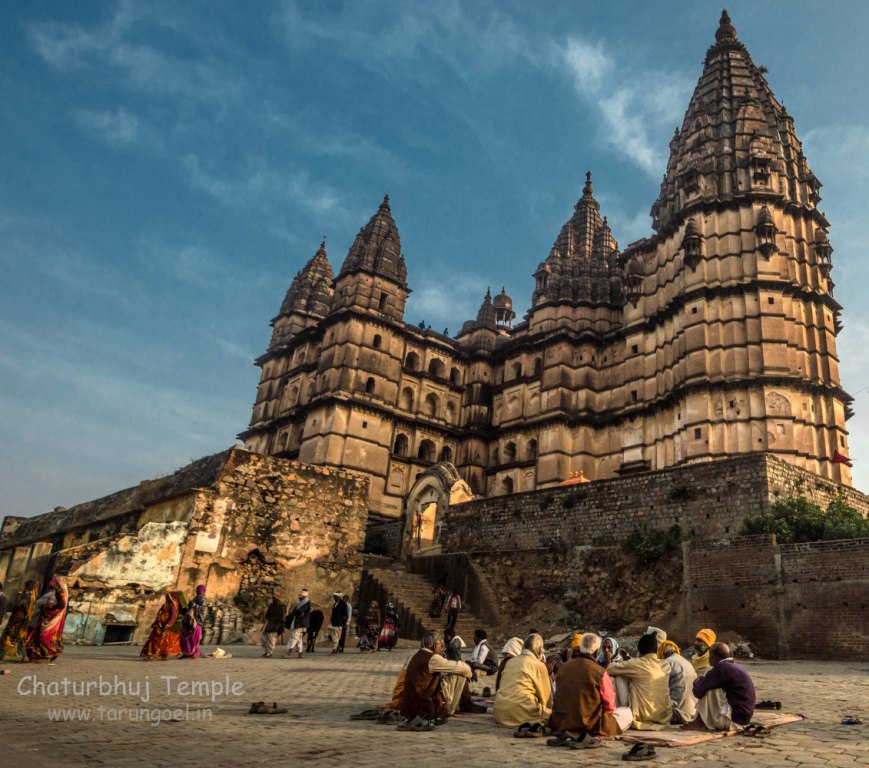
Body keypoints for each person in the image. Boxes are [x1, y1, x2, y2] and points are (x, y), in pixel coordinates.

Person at [549, 632, 633, 739]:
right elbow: (610, 707)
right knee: (628, 713)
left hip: (562, 723)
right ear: (597, 651)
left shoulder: (563, 668)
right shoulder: (600, 672)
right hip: (591, 726)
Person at [399, 630, 479, 729]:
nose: (443, 648)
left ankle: (464, 702)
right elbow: (463, 668)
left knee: (457, 672)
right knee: (461, 673)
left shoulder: (417, 654)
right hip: (423, 706)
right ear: (435, 645)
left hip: (410, 705)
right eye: (441, 645)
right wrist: (470, 672)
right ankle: (457, 706)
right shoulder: (433, 658)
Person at [606, 632, 672, 730]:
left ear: (640, 650)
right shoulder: (665, 665)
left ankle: (622, 711)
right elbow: (645, 669)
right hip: (664, 717)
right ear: (656, 650)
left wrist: (608, 661)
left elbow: (610, 669)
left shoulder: (636, 664)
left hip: (642, 717)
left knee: (618, 676)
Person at [683, 642, 756, 731]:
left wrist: (697, 681)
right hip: (743, 718)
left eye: (710, 655)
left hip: (733, 721)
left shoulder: (721, 668)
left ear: (716, 657)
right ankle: (701, 721)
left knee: (710, 688)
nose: (709, 658)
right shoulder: (733, 665)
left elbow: (698, 692)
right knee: (710, 683)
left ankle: (700, 721)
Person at [492, 634, 553, 728]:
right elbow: (546, 699)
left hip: (500, 713)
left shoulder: (510, 662)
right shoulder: (539, 665)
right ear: (540, 650)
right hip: (521, 714)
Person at [25, 576, 69, 662]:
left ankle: (44, 653)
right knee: (42, 635)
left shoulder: (59, 594)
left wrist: (47, 607)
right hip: (50, 618)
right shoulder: (60, 593)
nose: (52, 586)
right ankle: (39, 654)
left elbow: (61, 605)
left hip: (50, 618)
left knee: (43, 636)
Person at [659, 640, 697, 724]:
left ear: (662, 653)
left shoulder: (667, 662)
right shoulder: (687, 662)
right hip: (693, 713)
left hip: (677, 713)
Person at [0, 580, 39, 661]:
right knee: (18, 638)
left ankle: (4, 655)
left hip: (18, 619)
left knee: (10, 636)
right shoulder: (33, 595)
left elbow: (19, 603)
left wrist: (19, 594)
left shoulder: (28, 595)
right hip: (22, 619)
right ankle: (23, 656)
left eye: (25, 585)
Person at [140, 592, 183, 661]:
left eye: (168, 596)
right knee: (155, 639)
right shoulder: (166, 604)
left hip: (164, 625)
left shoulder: (172, 604)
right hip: (159, 624)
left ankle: (157, 654)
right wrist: (155, 622)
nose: (167, 597)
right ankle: (153, 653)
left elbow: (173, 615)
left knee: (160, 640)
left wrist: (168, 624)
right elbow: (160, 613)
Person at [180, 584, 207, 659]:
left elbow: (203, 610)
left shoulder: (203, 599)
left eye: (198, 590)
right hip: (190, 620)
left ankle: (193, 653)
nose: (197, 591)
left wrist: (195, 605)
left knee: (194, 638)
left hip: (197, 621)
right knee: (186, 637)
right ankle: (187, 653)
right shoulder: (195, 598)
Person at [284, 589, 311, 659]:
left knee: (294, 637)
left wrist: (296, 613)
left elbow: (300, 611)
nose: (299, 597)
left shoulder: (307, 603)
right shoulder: (301, 603)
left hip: (301, 623)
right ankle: (300, 653)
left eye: (300, 595)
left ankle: (289, 652)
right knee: (298, 638)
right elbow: (294, 612)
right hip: (297, 622)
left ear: (304, 596)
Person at [260, 592, 286, 658]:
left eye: (275, 597)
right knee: (263, 638)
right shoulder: (271, 605)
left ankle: (269, 653)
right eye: (273, 597)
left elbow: (282, 618)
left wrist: (278, 626)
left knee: (271, 639)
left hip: (276, 624)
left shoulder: (281, 606)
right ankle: (266, 651)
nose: (273, 599)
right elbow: (267, 614)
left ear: (278, 598)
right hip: (268, 622)